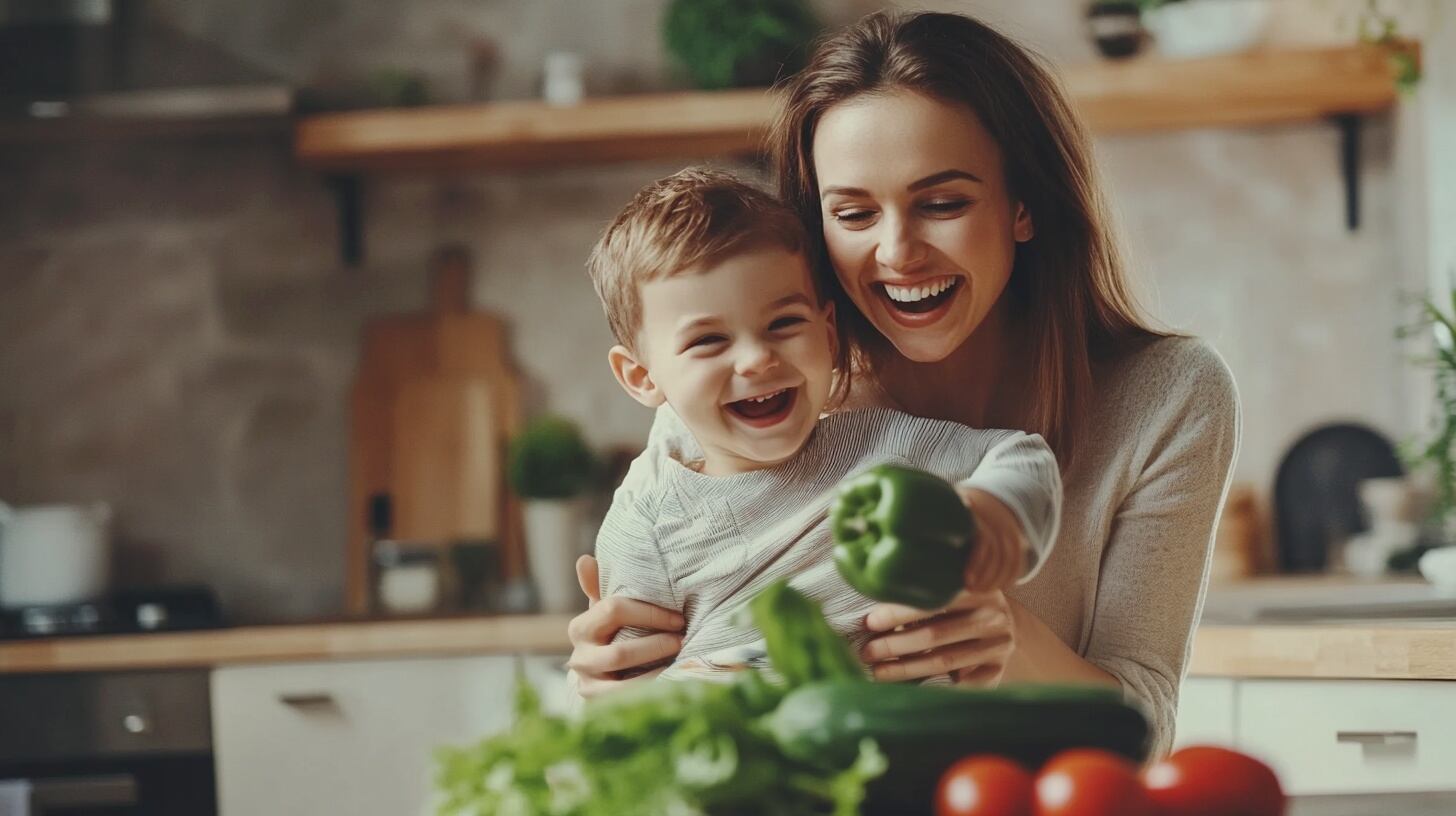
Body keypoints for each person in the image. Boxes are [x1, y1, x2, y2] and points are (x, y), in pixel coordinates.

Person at [568, 11, 1239, 756]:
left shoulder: (1170, 396)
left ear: (1025, 205)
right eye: (852, 212)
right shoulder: (760, 396)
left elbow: (1143, 729)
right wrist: (613, 690)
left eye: (943, 203)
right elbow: (659, 684)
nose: (897, 252)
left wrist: (1006, 638)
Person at [583, 167, 1061, 681]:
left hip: (911, 744)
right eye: (709, 342)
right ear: (640, 376)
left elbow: (1021, 455)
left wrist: (994, 518)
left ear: (828, 335)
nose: (756, 360)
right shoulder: (644, 526)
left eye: (784, 324)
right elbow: (628, 691)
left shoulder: (882, 446)